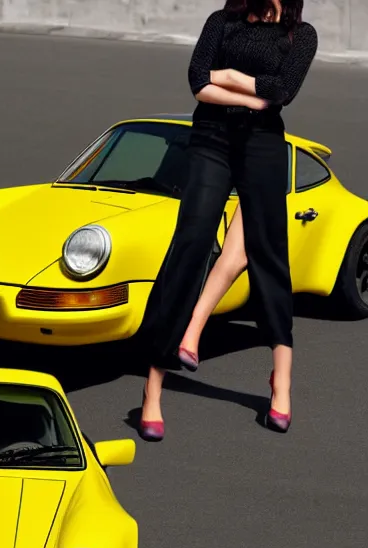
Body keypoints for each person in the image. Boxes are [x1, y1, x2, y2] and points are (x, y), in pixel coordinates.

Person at [139, 0, 318, 439]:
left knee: (268, 250)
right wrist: (254, 93)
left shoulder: (301, 35)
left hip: (262, 145)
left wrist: (233, 77)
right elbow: (199, 83)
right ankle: (153, 387)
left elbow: (281, 93)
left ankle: (282, 379)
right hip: (211, 139)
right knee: (192, 242)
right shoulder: (222, 22)